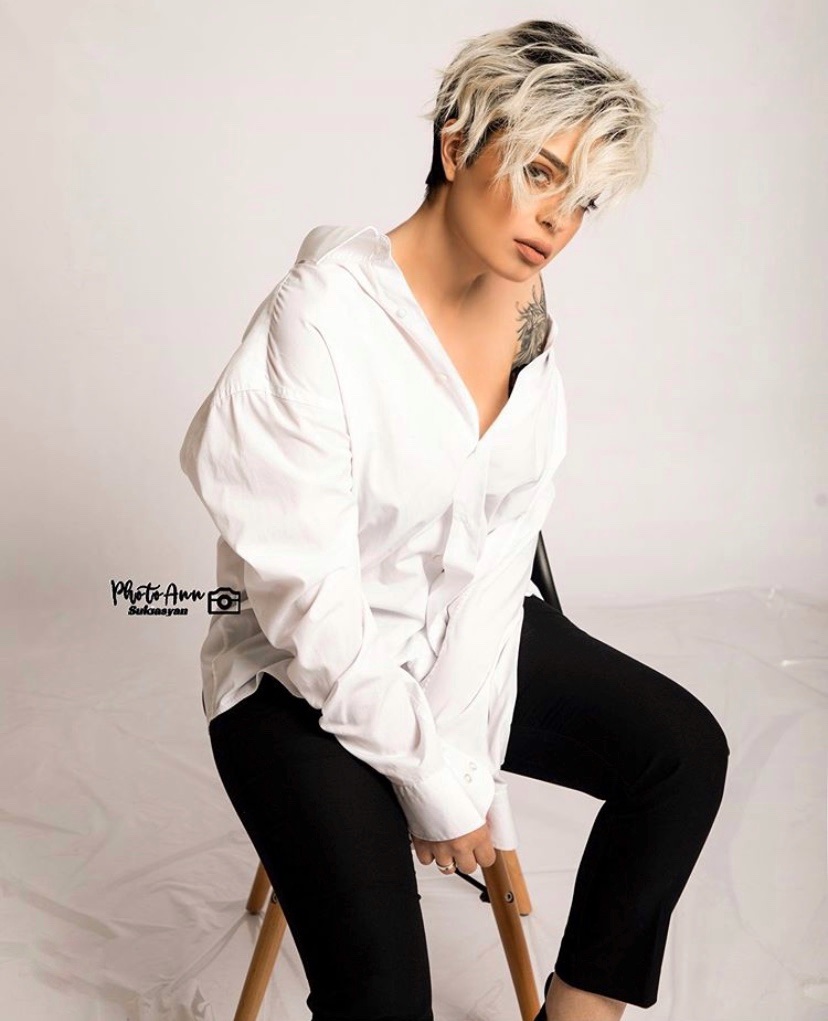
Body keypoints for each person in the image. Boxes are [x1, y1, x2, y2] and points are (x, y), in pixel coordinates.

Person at [179, 18, 730, 1021]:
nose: (558, 219)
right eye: (540, 173)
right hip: (297, 680)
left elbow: (500, 557)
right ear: (456, 143)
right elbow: (310, 608)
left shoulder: (526, 319)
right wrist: (432, 778)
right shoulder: (320, 319)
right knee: (385, 999)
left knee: (683, 754)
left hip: (456, 644)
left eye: (583, 198)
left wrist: (461, 750)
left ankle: (579, 1013)